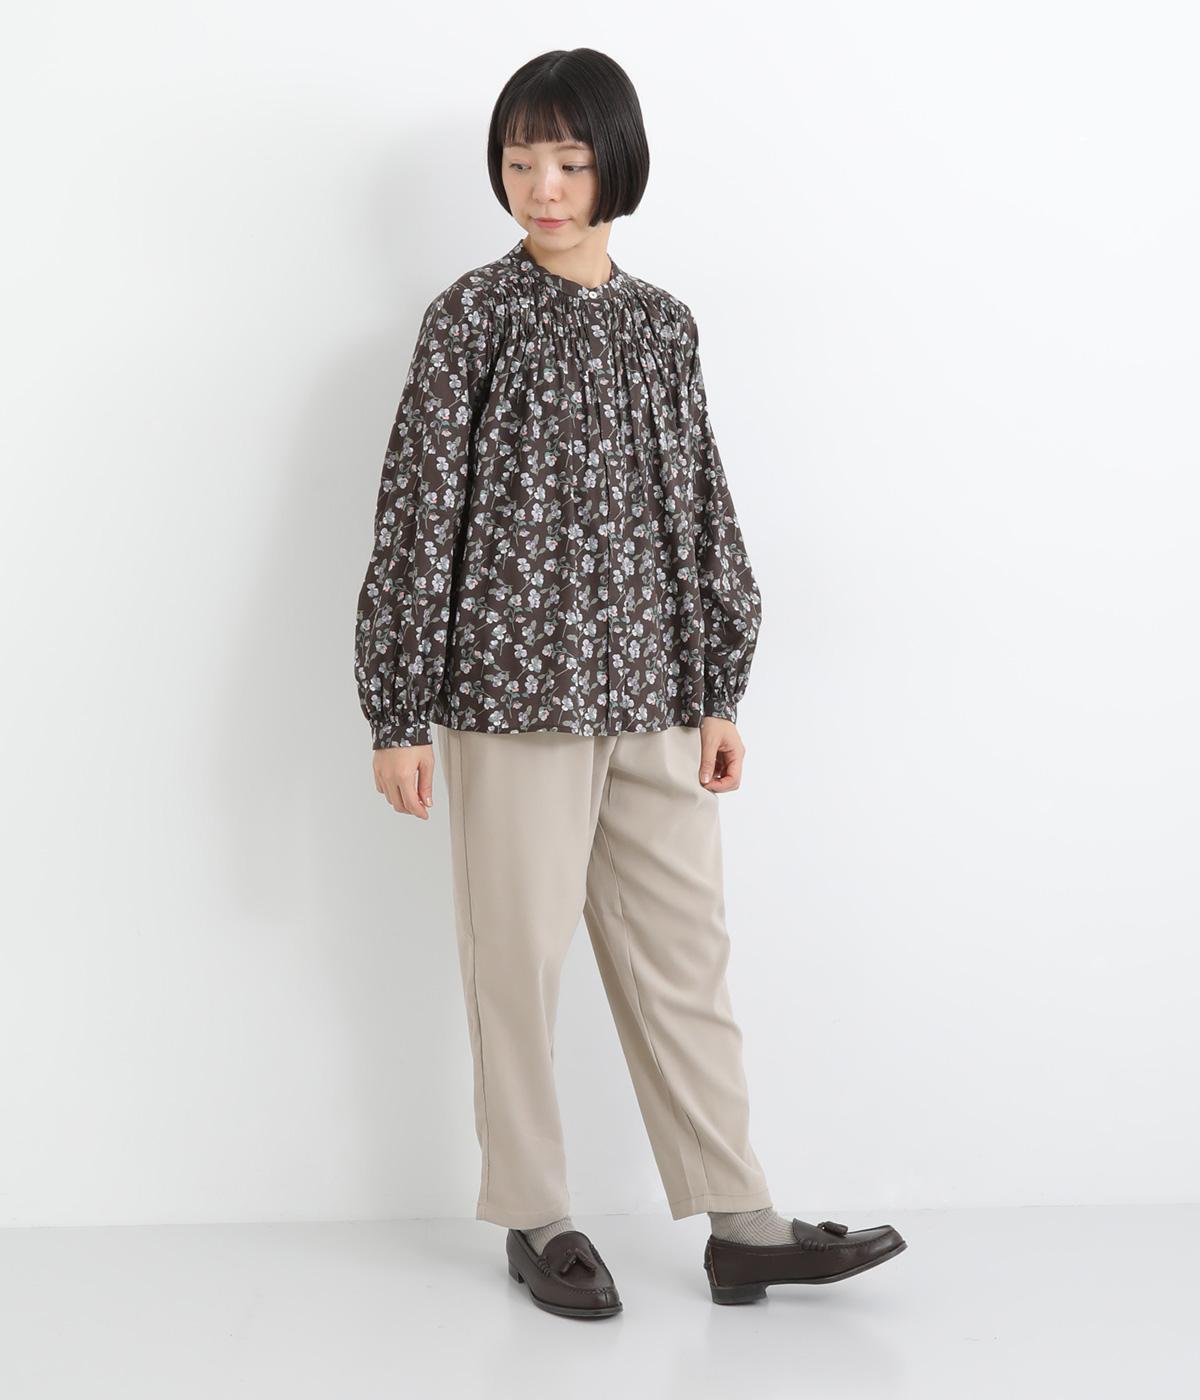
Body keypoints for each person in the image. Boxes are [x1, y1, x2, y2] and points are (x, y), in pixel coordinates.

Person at [353, 48, 906, 1317]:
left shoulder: (664, 325)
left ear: (616, 165)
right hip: (514, 699)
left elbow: (699, 505)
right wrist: (397, 709)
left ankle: (742, 1220)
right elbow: (418, 516)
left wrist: (718, 686)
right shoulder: (471, 319)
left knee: (684, 956)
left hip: (655, 693)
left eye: (568, 160)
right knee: (517, 962)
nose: (542, 187)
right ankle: (535, 1212)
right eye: (520, 162)